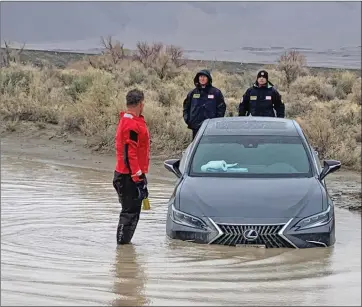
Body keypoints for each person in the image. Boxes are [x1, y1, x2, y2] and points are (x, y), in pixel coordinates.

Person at [112, 89, 150, 245]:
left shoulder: (132, 120)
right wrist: (137, 177)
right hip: (128, 176)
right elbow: (130, 153)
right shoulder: (131, 124)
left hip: (129, 174)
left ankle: (124, 247)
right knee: (129, 213)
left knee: (132, 213)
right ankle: (122, 253)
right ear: (141, 104)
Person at [183, 69, 226, 140]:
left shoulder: (216, 92)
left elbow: (221, 108)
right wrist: (188, 120)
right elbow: (186, 107)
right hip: (196, 126)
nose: (202, 79)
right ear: (198, 78)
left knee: (209, 146)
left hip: (210, 127)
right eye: (200, 77)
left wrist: (216, 122)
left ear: (208, 78)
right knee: (197, 147)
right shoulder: (193, 93)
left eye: (204, 77)